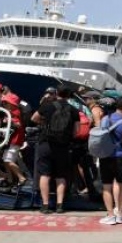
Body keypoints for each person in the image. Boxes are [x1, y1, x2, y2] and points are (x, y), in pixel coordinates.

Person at [31, 85, 80, 214]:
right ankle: (59, 205)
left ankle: (45, 205)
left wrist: (45, 122)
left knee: (45, 174)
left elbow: (33, 118)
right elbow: (76, 132)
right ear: (69, 95)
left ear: (56, 93)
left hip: (46, 143)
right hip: (63, 146)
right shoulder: (74, 110)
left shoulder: (48, 105)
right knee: (61, 176)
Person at [99, 97, 122, 225]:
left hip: (105, 157)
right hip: (120, 157)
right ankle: (120, 214)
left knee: (107, 186)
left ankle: (110, 215)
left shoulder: (104, 119)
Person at [0, 92, 29, 190]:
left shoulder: (15, 112)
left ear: (11, 103)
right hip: (12, 139)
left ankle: (22, 178)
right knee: (5, 160)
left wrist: (9, 120)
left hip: (16, 140)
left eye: (6, 103)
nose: (4, 105)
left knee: (8, 160)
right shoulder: (12, 112)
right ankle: (10, 179)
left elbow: (18, 125)